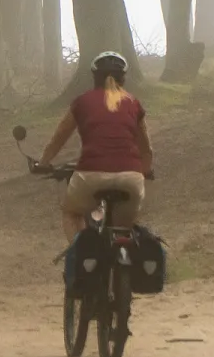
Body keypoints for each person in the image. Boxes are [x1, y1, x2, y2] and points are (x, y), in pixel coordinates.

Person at [35, 51, 153, 240]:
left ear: (94, 77)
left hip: (90, 174)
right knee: (123, 230)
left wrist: (43, 162)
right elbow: (145, 147)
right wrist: (146, 170)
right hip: (131, 177)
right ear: (123, 78)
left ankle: (81, 256)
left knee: (72, 213)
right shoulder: (133, 103)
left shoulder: (82, 102)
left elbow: (59, 138)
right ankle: (124, 259)